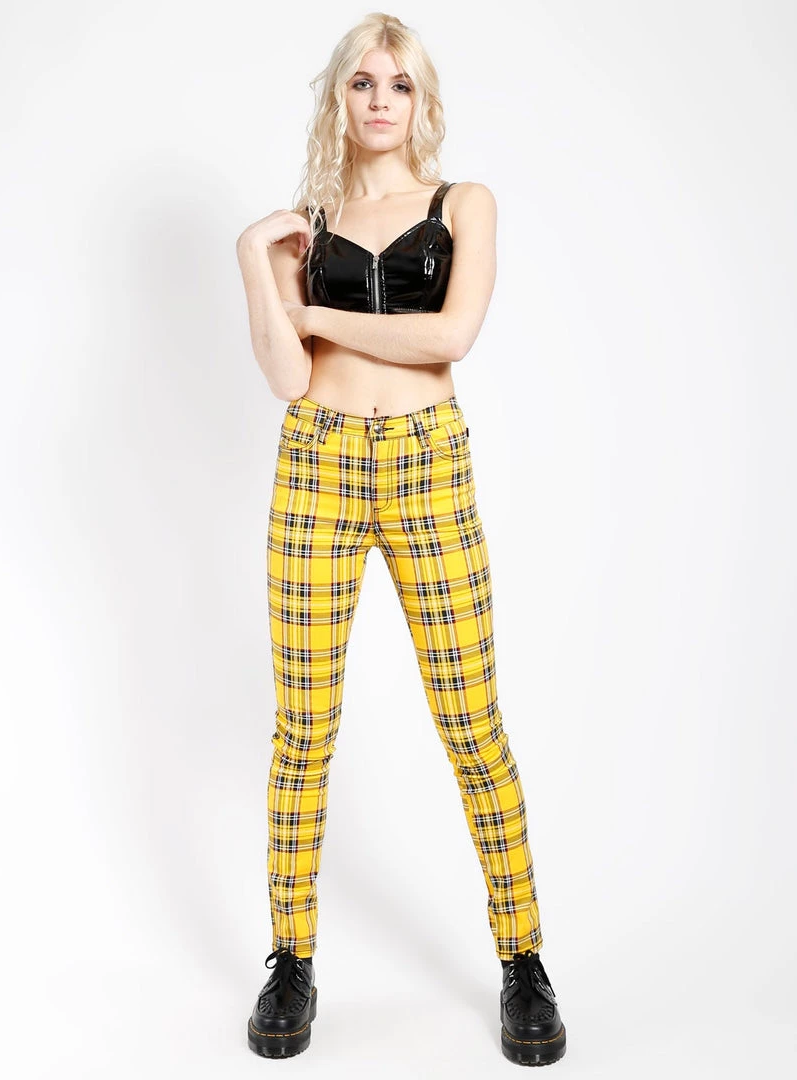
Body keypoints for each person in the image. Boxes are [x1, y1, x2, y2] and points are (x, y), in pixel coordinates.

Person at [236, 12, 566, 1067]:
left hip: (428, 462)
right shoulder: (306, 223)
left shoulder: (463, 204)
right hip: (317, 463)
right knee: (304, 730)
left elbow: (449, 336)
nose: (380, 100)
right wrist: (254, 263)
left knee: (472, 721)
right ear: (340, 98)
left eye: (400, 84)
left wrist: (319, 317)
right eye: (363, 83)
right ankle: (292, 958)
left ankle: (523, 960)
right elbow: (286, 377)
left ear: (422, 101)